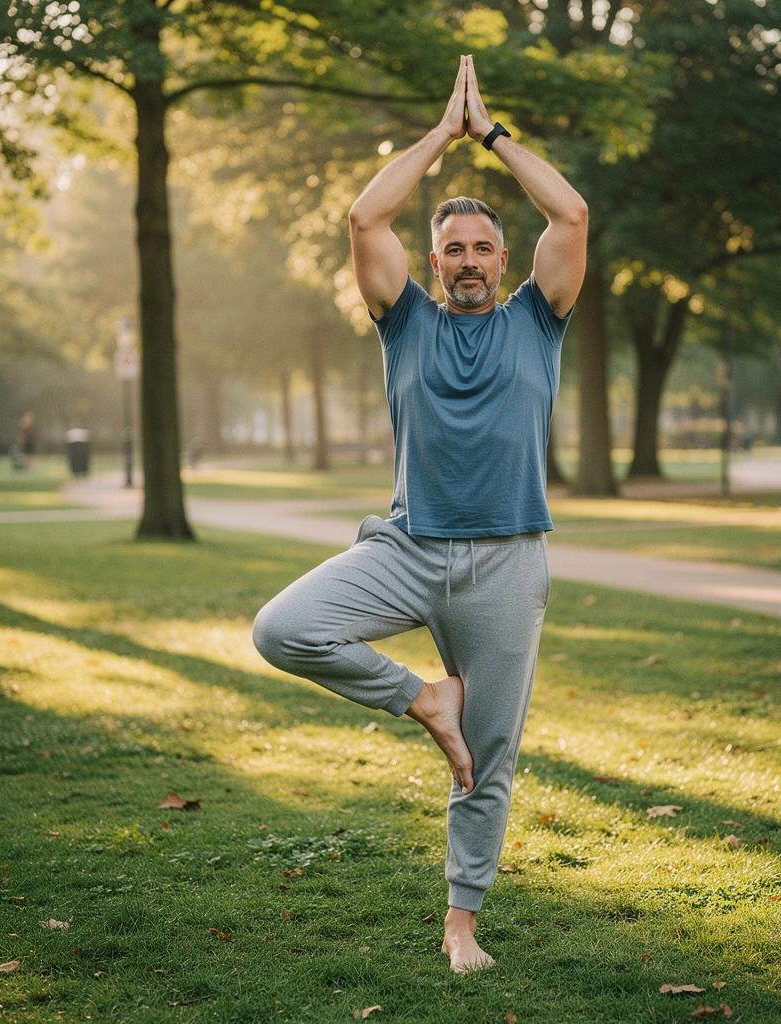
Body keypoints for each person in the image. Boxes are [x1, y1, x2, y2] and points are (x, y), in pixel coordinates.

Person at [252, 54, 588, 975]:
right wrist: (442, 135)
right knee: (284, 628)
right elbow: (365, 216)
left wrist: (493, 135)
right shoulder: (405, 319)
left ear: (503, 262)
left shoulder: (539, 320)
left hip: (507, 560)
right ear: (432, 262)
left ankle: (460, 923)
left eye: (484, 248)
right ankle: (422, 698)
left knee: (489, 755)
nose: (470, 262)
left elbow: (573, 213)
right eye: (455, 250)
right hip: (408, 545)